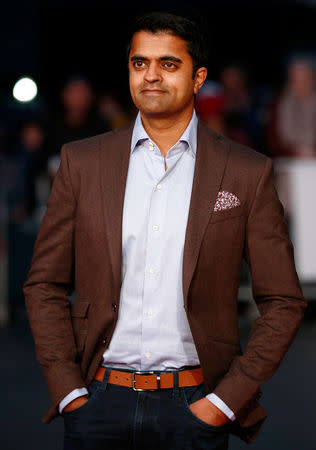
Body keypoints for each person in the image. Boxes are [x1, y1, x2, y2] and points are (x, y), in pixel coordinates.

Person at [23, 12, 306, 450]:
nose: (151, 76)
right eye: (140, 63)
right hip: (97, 402)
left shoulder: (246, 172)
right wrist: (69, 392)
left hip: (196, 403)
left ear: (198, 78)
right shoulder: (83, 163)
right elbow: (44, 283)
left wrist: (225, 402)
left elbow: (284, 300)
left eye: (168, 64)